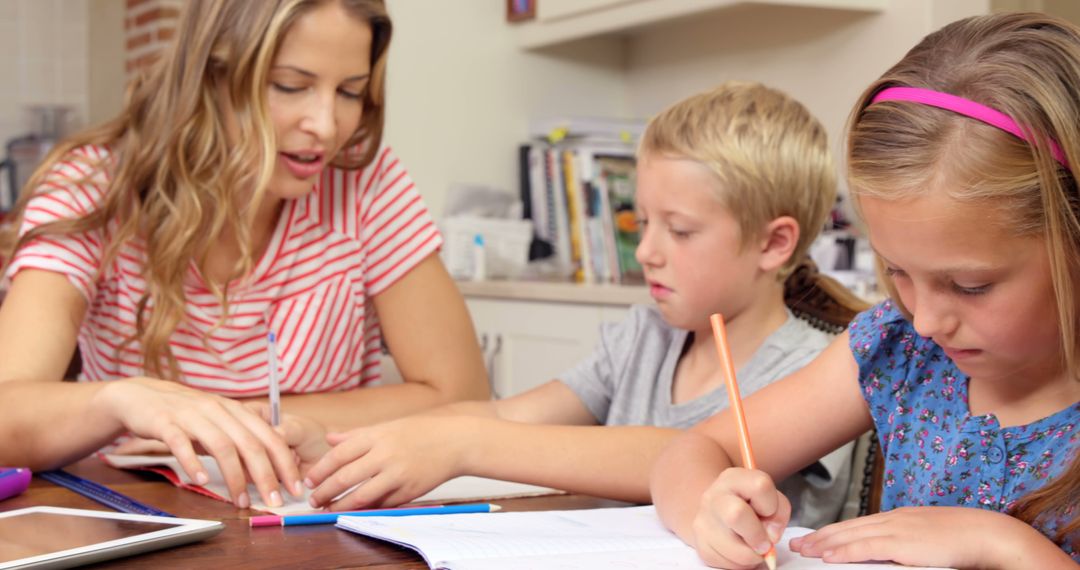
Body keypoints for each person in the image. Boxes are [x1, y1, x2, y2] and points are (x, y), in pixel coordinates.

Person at [300, 81, 870, 528]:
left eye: (680, 231)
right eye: (642, 223)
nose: (645, 252)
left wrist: (463, 446)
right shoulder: (643, 336)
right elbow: (503, 415)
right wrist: (347, 445)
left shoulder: (810, 369)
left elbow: (682, 456)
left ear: (774, 243)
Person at [0, 0, 488, 512]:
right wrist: (123, 401)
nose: (325, 125)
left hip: (315, 525)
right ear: (209, 77)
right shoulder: (94, 188)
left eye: (350, 92)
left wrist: (231, 418)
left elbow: (461, 394)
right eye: (290, 85)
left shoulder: (364, 183)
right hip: (136, 518)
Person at [650, 12, 1080, 569]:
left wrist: (1001, 545)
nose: (925, 320)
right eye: (897, 270)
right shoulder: (899, 348)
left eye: (971, 286)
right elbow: (689, 453)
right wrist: (708, 509)